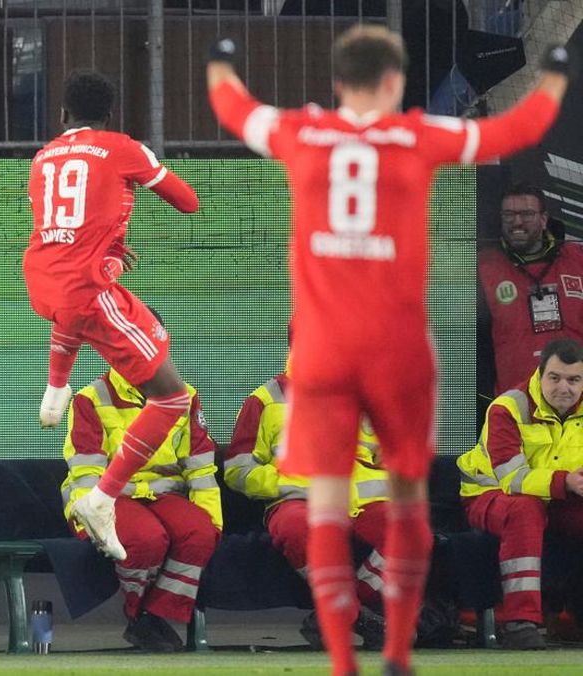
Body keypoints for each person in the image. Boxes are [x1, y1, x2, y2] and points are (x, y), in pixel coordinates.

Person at [208, 25, 569, 676]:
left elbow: (234, 109)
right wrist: (555, 78)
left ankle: (342, 650)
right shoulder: (417, 136)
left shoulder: (304, 132)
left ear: (337, 83)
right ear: (397, 83)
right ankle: (397, 650)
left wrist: (220, 65)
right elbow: (513, 130)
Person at [24, 69, 200, 562]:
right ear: (110, 114)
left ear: (63, 114)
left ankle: (56, 386)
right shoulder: (122, 147)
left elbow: (70, 229)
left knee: (77, 304)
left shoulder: (43, 156)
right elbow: (188, 202)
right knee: (172, 397)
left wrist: (113, 248)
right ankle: (102, 498)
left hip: (41, 280)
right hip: (86, 290)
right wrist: (141, 166)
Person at [60, 363, 221, 652]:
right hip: (106, 496)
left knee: (200, 533)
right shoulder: (90, 398)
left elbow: (200, 466)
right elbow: (86, 471)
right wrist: (91, 517)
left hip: (164, 493)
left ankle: (153, 615)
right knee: (145, 538)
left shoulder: (185, 395)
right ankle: (140, 615)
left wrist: (212, 520)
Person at [225, 368, 388, 650]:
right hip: (296, 501)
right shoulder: (264, 399)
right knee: (296, 528)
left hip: (360, 499)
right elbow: (237, 470)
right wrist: (285, 483)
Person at [458, 338, 583, 649]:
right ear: (539, 374)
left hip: (558, 496)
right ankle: (519, 622)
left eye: (573, 380)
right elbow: (512, 479)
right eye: (554, 377)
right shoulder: (509, 407)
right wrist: (566, 482)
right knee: (525, 509)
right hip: (490, 493)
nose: (564, 388)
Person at [478, 182, 583, 395]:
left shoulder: (577, 258)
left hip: (576, 399)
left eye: (526, 214)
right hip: (516, 401)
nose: (517, 222)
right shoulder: (481, 267)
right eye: (509, 215)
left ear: (543, 220)